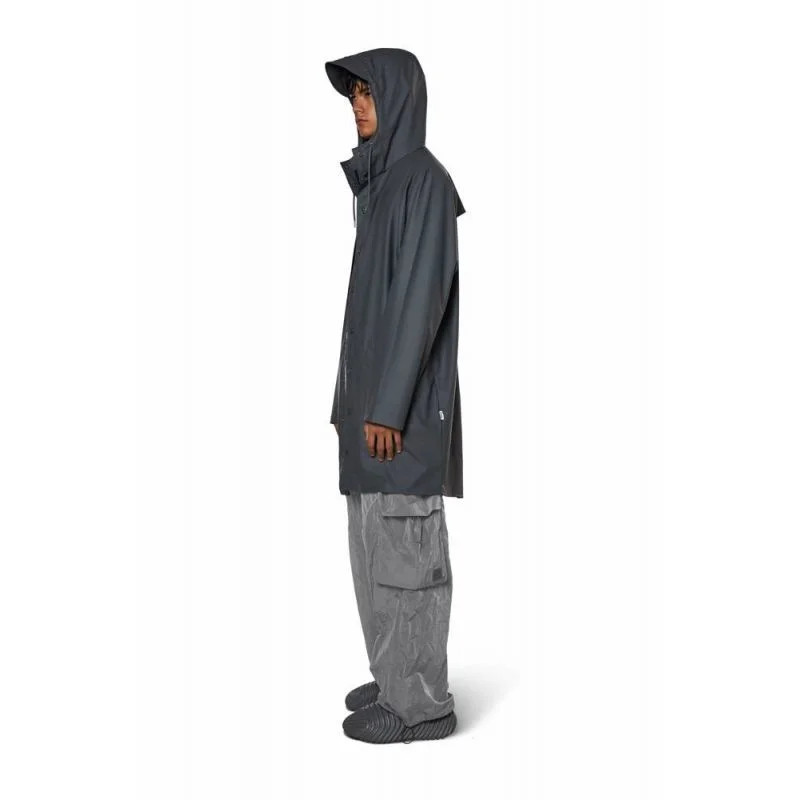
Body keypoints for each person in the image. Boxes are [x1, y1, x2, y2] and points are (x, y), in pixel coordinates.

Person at [325, 47, 466, 744]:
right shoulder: (380, 187)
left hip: (400, 419)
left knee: (408, 557)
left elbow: (418, 305)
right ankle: (394, 676)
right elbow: (366, 315)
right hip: (369, 415)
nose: (358, 104)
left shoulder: (424, 182)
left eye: (369, 92)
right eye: (353, 94)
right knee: (373, 551)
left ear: (400, 97)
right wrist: (348, 406)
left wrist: (386, 408)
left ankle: (422, 706)